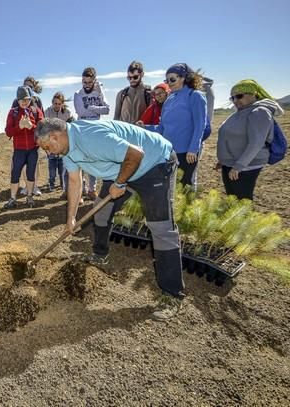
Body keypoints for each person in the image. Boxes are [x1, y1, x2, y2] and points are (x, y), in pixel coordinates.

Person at [35, 118, 185, 321]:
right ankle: (100, 254)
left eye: (47, 147)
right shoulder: (66, 150)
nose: (48, 152)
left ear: (55, 136)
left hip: (154, 164)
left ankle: (172, 294)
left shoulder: (91, 137)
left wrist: (121, 183)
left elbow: (135, 153)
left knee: (161, 228)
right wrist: (70, 218)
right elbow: (74, 181)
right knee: (101, 212)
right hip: (121, 170)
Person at [216, 80, 283, 200]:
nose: (235, 100)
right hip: (231, 163)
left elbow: (256, 143)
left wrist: (238, 166)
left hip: (246, 165)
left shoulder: (259, 112)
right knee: (233, 200)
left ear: (253, 94)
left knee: (242, 202)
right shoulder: (240, 113)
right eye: (233, 98)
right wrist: (223, 159)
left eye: (239, 96)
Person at [144, 63, 207, 189]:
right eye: (167, 80)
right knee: (169, 186)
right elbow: (162, 127)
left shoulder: (195, 96)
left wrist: (193, 148)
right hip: (168, 151)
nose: (169, 83)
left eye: (172, 79)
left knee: (184, 186)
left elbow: (200, 125)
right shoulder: (170, 99)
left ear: (184, 77)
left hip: (187, 152)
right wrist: (144, 127)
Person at [3, 86, 44, 209]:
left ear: (30, 99)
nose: (24, 102)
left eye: (27, 99)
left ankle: (29, 196)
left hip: (33, 150)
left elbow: (42, 130)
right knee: (15, 174)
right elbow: (8, 132)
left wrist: (32, 126)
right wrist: (19, 127)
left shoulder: (36, 111)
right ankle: (13, 198)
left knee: (31, 173)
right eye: (22, 100)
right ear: (17, 100)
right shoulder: (13, 112)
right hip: (19, 150)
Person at [73, 67, 110, 200]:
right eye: (84, 82)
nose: (87, 85)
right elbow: (81, 112)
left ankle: (92, 189)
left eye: (89, 82)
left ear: (95, 81)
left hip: (96, 130)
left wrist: (92, 106)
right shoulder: (78, 93)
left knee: (93, 160)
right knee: (81, 160)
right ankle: (81, 189)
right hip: (82, 130)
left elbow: (107, 110)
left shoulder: (99, 92)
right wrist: (96, 110)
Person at [12, 76, 44, 196]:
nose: (27, 88)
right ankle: (26, 186)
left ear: (33, 87)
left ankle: (35, 186)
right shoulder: (16, 101)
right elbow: (13, 118)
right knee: (24, 165)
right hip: (20, 139)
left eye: (30, 86)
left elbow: (42, 119)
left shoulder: (37, 101)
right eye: (25, 85)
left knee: (35, 164)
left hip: (34, 138)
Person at [44, 92, 73, 192]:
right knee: (52, 166)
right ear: (52, 103)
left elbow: (70, 128)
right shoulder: (47, 112)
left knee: (62, 166)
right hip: (51, 142)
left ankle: (63, 184)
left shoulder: (67, 113)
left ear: (62, 104)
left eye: (59, 104)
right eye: (55, 103)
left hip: (62, 143)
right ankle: (51, 183)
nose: (57, 106)